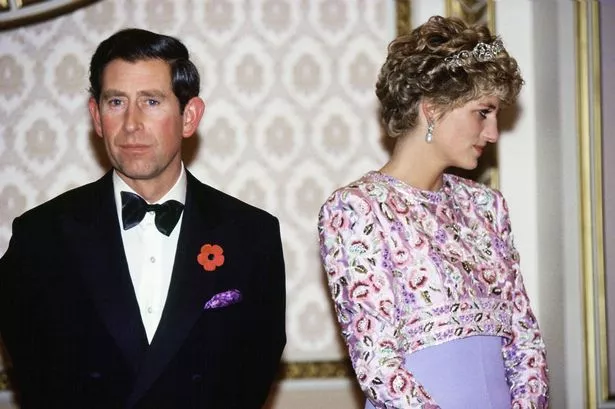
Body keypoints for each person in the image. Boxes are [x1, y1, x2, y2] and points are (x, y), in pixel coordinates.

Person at [0, 28, 286, 409]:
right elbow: (34, 370)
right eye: (116, 101)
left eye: (151, 101)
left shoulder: (252, 236)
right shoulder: (40, 236)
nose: (131, 123)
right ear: (96, 116)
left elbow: (255, 365)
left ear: (189, 116)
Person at [318, 16, 548, 409]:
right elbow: (378, 364)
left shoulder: (486, 206)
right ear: (432, 110)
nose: (492, 133)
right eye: (482, 112)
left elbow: (524, 340)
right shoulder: (357, 209)